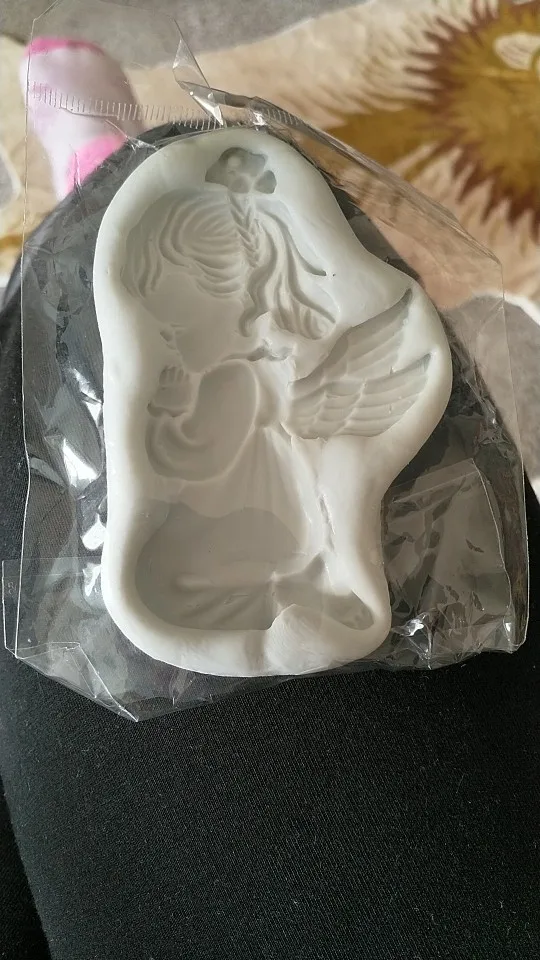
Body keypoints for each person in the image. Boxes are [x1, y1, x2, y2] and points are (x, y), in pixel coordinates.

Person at [0, 39, 539, 960]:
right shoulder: (225, 373)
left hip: (273, 543)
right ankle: (98, 189)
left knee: (54, 336)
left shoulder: (249, 368)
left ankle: (93, 193)